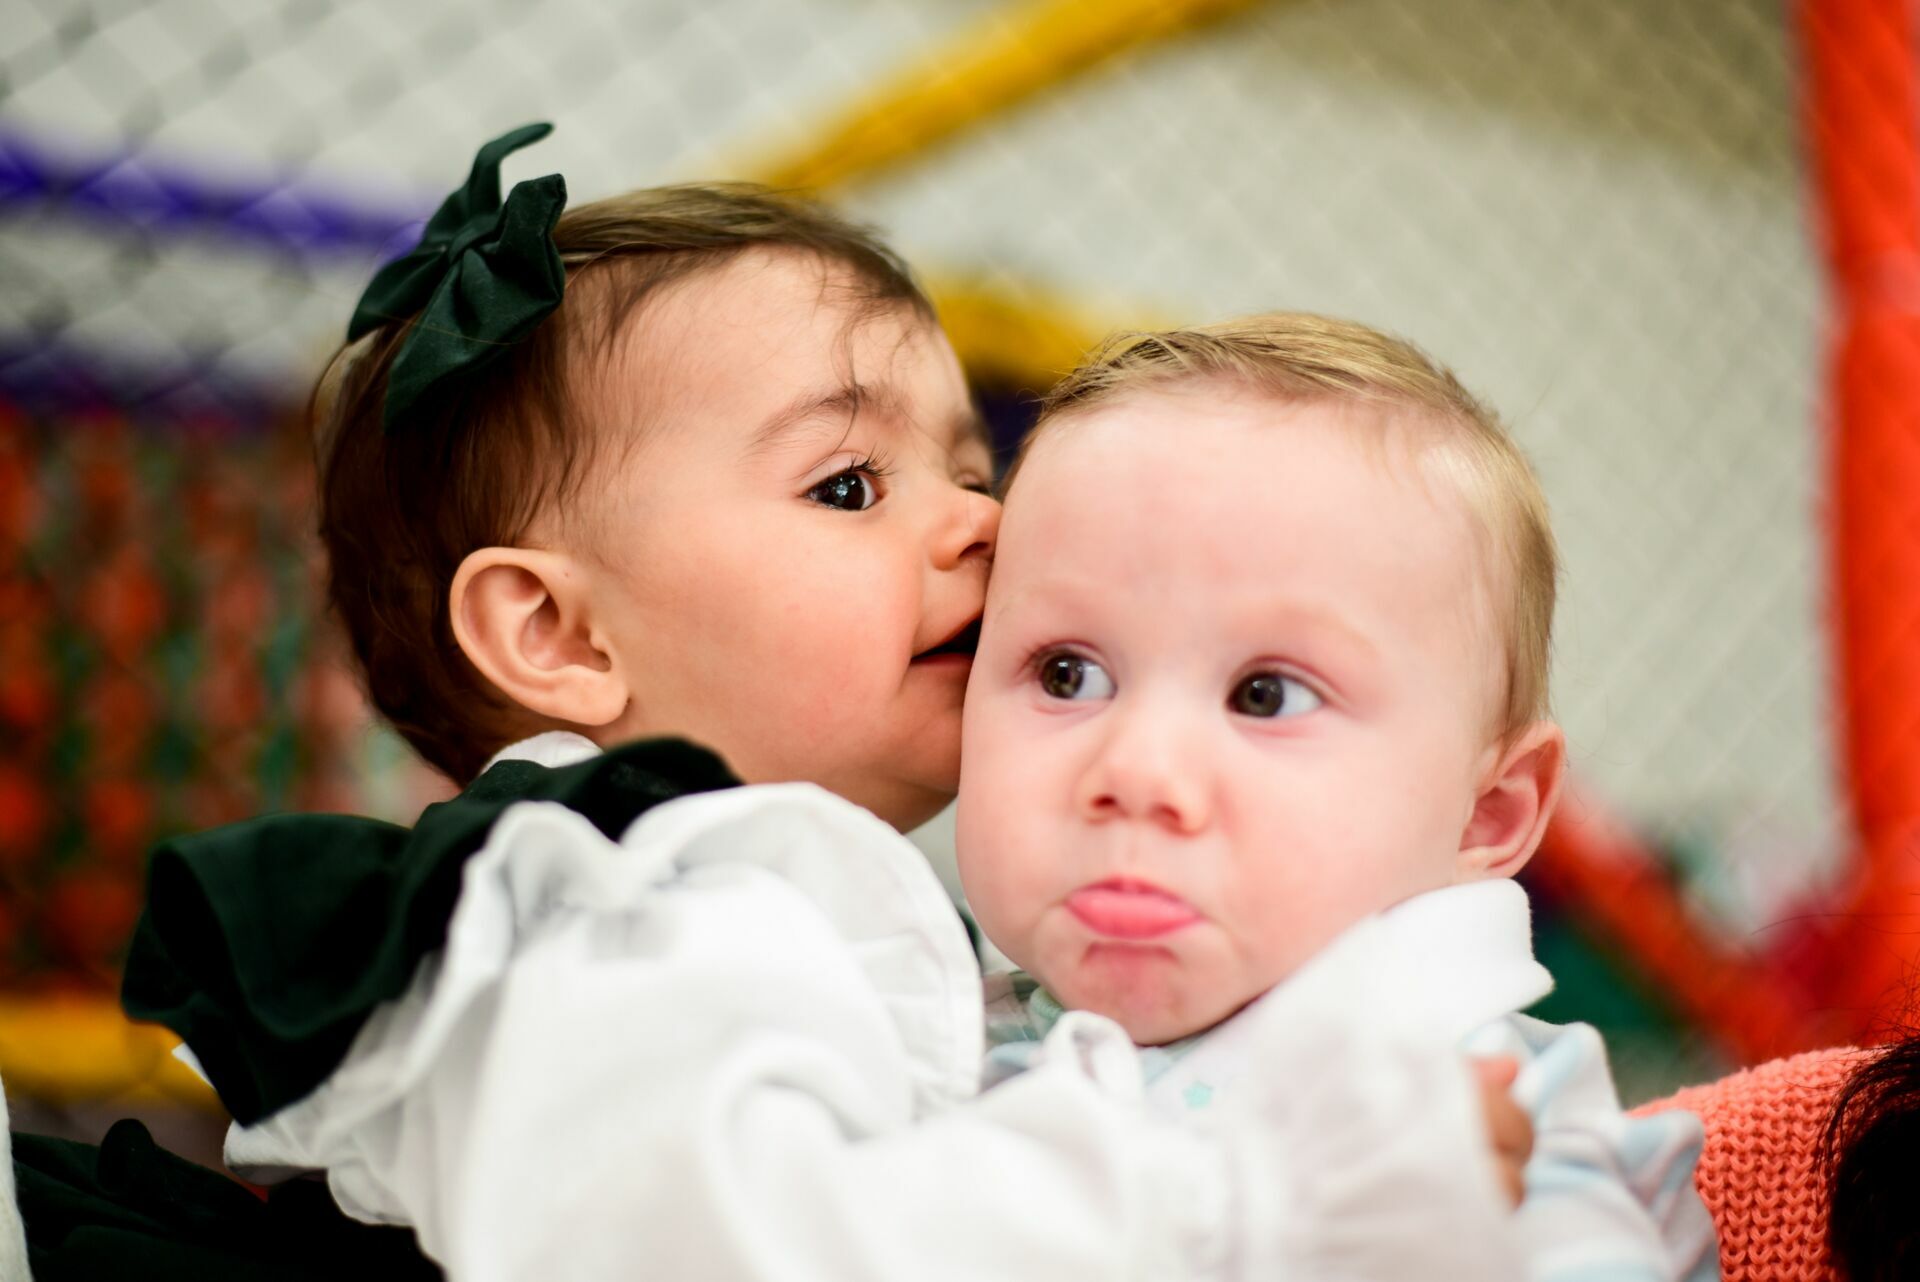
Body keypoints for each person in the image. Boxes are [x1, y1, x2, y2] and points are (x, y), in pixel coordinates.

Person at [15, 127, 1530, 1280]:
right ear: (555, 632)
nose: (978, 529)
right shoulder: (624, 904)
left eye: (973, 470)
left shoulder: (802, 896)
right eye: (850, 484)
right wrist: (1261, 1185)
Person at [954, 314, 1720, 1281]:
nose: (1138, 772)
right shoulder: (926, 1029)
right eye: (1067, 675)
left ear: (1486, 815)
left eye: (1265, 695)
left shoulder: (1477, 1118)